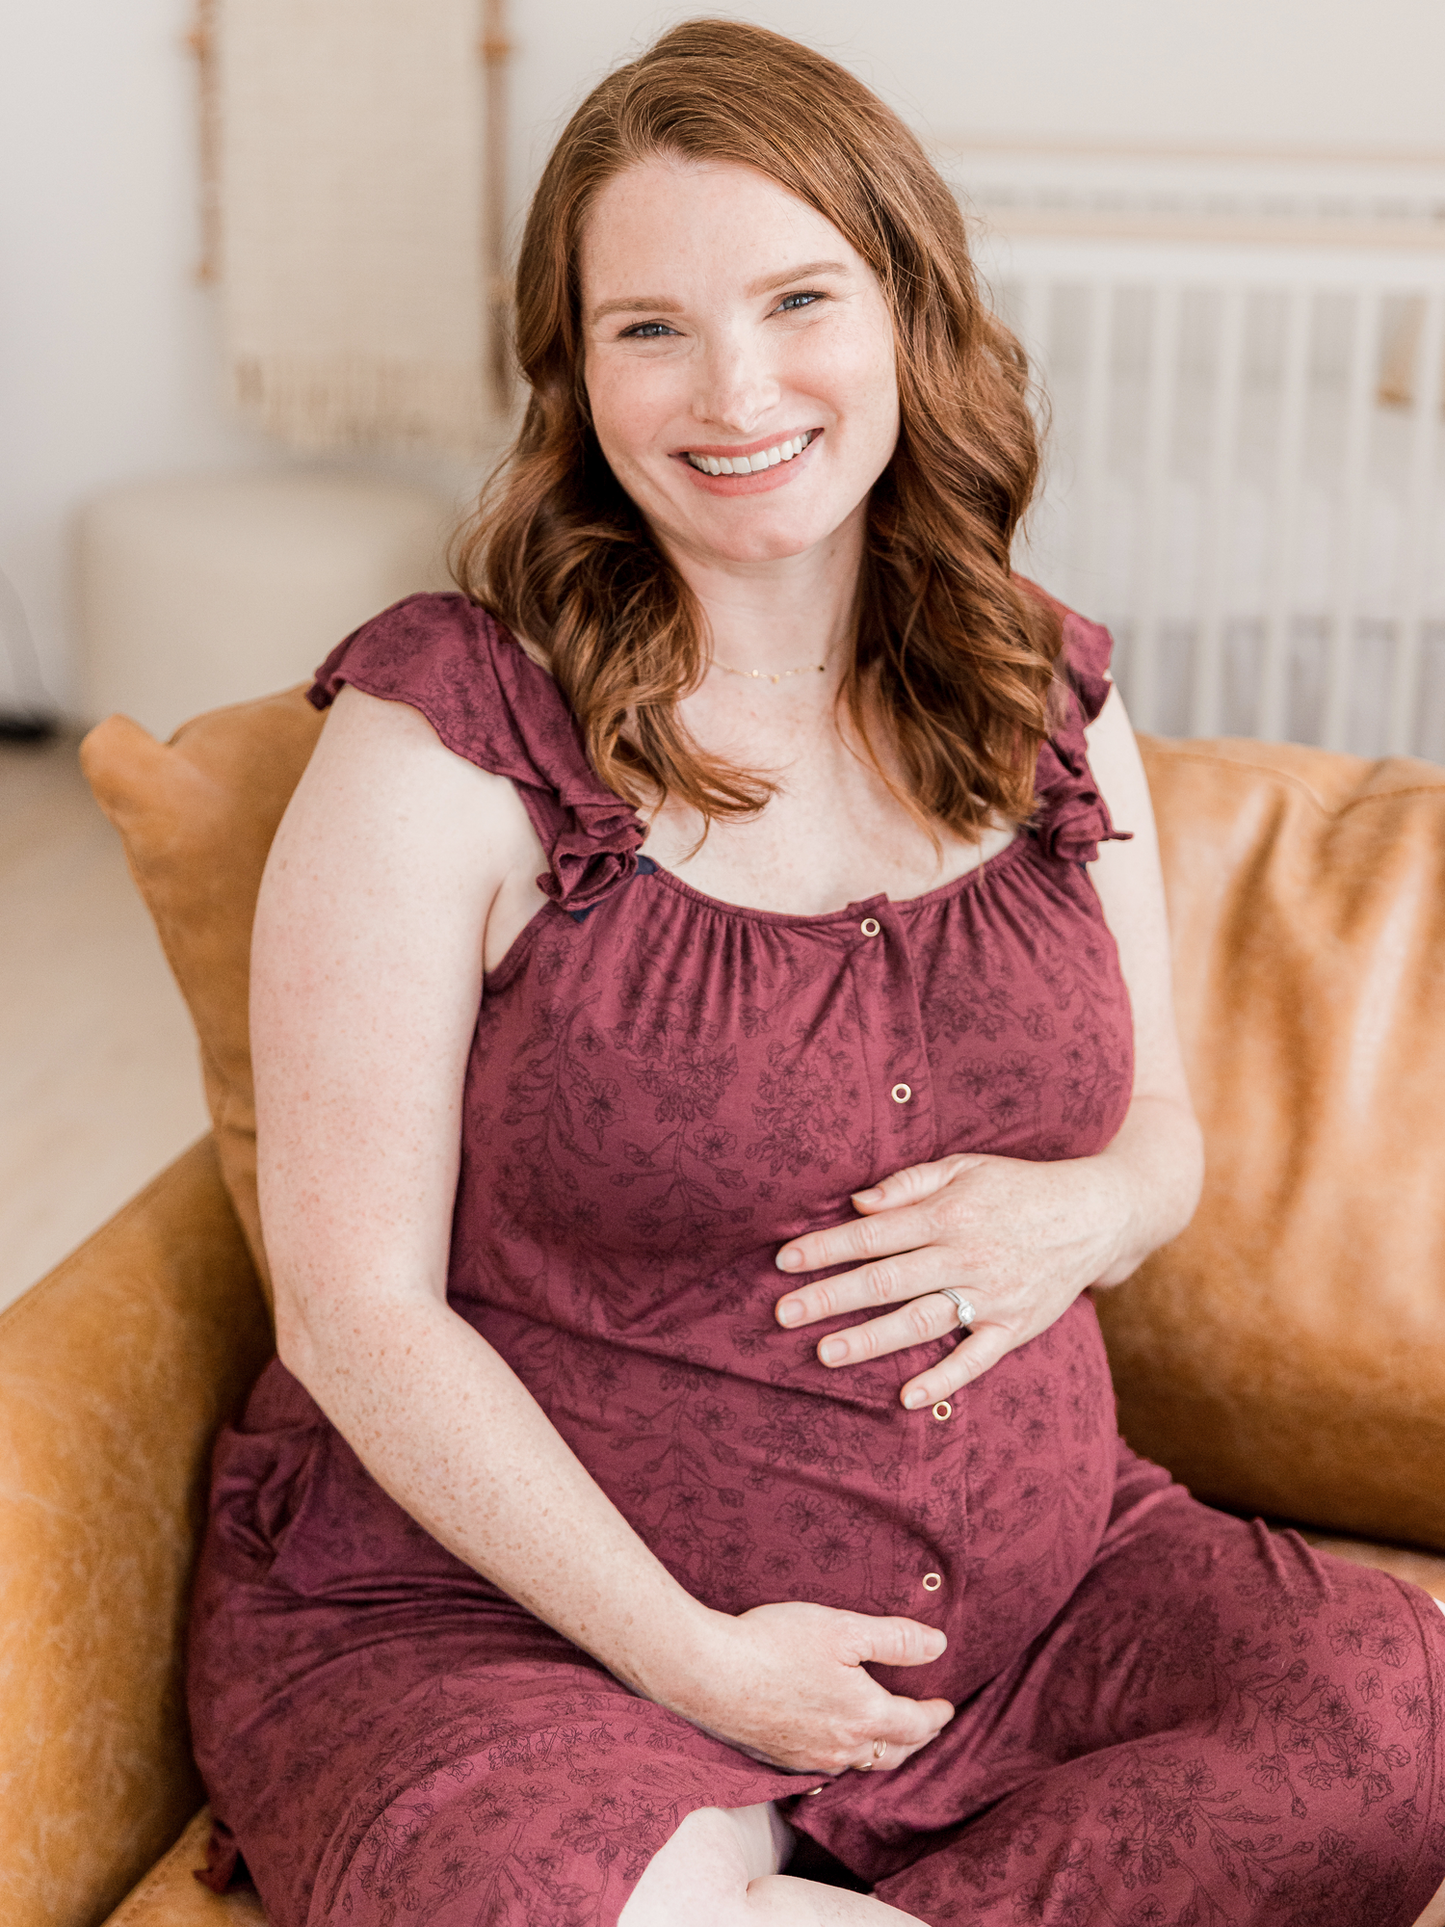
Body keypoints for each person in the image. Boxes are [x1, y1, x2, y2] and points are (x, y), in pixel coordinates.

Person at [188, 19, 1445, 1926]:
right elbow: (353, 1314)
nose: (738, 386)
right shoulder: (447, 734)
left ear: (909, 316)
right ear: (571, 371)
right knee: (537, 1890)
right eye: (651, 328)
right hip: (521, 1627)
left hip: (1029, 1622)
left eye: (799, 299)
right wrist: (695, 1658)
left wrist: (1089, 1208)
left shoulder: (1041, 693)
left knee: (1388, 1718)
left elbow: (1168, 1126)